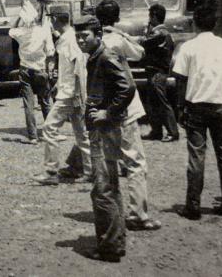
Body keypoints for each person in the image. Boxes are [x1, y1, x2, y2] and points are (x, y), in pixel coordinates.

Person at [96, 0, 160, 231]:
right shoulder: (117, 39)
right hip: (124, 107)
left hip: (104, 108)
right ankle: (137, 214)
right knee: (135, 163)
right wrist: (122, 33)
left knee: (110, 163)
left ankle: (115, 211)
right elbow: (140, 53)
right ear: (117, 17)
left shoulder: (94, 41)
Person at [172, 2, 222, 220]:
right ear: (215, 23)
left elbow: (181, 80)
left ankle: (193, 206)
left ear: (195, 23)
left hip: (196, 106)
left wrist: (180, 107)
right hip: (221, 104)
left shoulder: (188, 47)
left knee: (196, 156)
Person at [80, 14, 135, 263]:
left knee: (102, 189)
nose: (81, 40)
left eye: (85, 36)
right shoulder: (95, 56)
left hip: (105, 129)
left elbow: (128, 87)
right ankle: (115, 241)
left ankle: (110, 247)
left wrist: (107, 111)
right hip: (101, 127)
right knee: (109, 186)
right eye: (78, 36)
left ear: (97, 35)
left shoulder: (105, 55)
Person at [32, 11, 92, 185]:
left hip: (71, 94)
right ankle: (89, 170)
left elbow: (79, 67)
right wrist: (59, 83)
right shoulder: (67, 38)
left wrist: (79, 95)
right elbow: (68, 67)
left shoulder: (71, 39)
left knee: (49, 128)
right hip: (69, 91)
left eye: (52, 20)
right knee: (81, 134)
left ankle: (51, 171)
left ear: (56, 20)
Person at [9, 3, 55, 143]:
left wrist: (19, 16)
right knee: (46, 102)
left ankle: (33, 136)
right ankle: (51, 133)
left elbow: (11, 30)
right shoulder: (43, 31)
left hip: (25, 68)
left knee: (29, 104)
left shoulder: (21, 32)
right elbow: (50, 51)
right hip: (40, 68)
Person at [140, 4, 178, 142]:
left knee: (162, 103)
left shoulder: (159, 33)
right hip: (154, 72)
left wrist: (145, 32)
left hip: (157, 73)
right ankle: (156, 131)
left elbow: (144, 42)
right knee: (153, 104)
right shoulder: (163, 32)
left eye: (150, 16)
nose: (149, 19)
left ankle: (172, 132)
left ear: (155, 16)